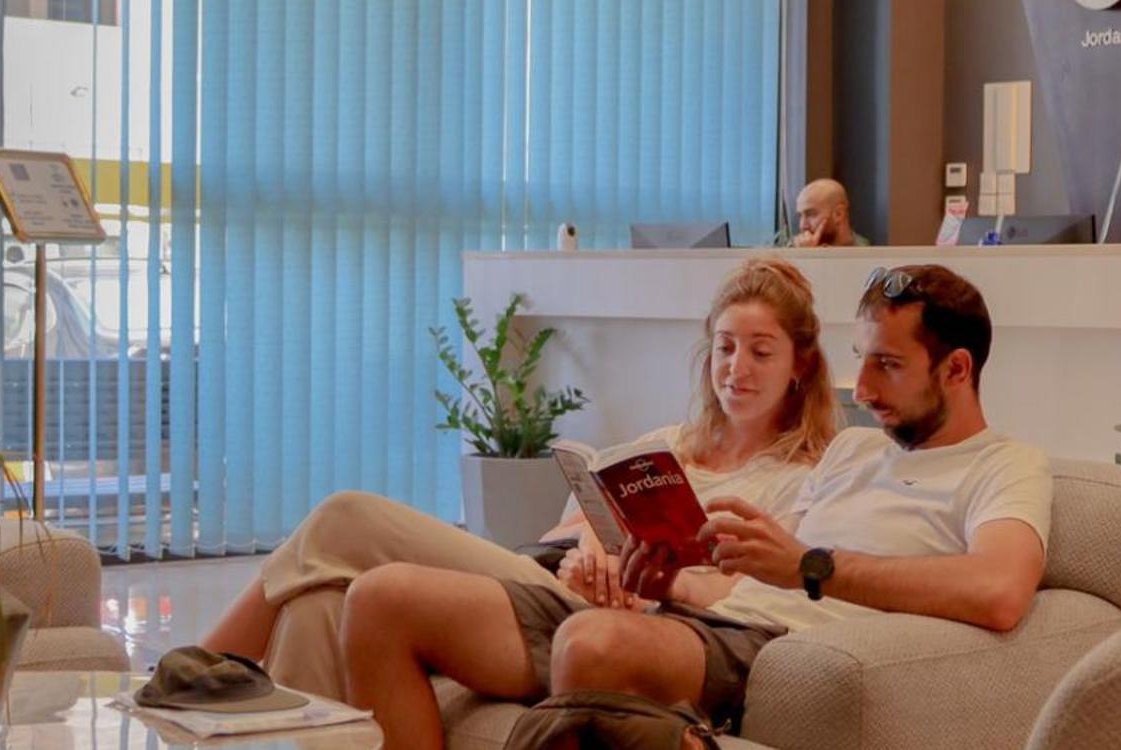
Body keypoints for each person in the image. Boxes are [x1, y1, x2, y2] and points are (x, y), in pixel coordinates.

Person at [341, 264, 1050, 749]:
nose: (860, 389)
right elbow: (756, 569)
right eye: (861, 358)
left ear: (957, 370)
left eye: (886, 365)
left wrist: (809, 566)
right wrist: (664, 577)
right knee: (381, 599)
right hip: (703, 616)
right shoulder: (854, 451)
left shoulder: (1005, 465)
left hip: (762, 643)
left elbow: (999, 592)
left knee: (592, 643)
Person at [198, 257, 840, 700]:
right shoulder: (668, 445)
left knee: (346, 518)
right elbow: (568, 526)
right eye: (725, 347)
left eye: (761, 352)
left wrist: (647, 579)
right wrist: (596, 548)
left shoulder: (804, 477)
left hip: (629, 620)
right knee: (314, 608)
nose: (736, 369)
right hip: (557, 580)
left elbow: (752, 597)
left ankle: (196, 673)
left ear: (801, 366)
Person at [784, 178, 869, 248]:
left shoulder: (866, 254)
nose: (802, 225)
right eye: (800, 216)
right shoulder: (794, 247)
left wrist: (811, 256)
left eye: (810, 214)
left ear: (838, 214)